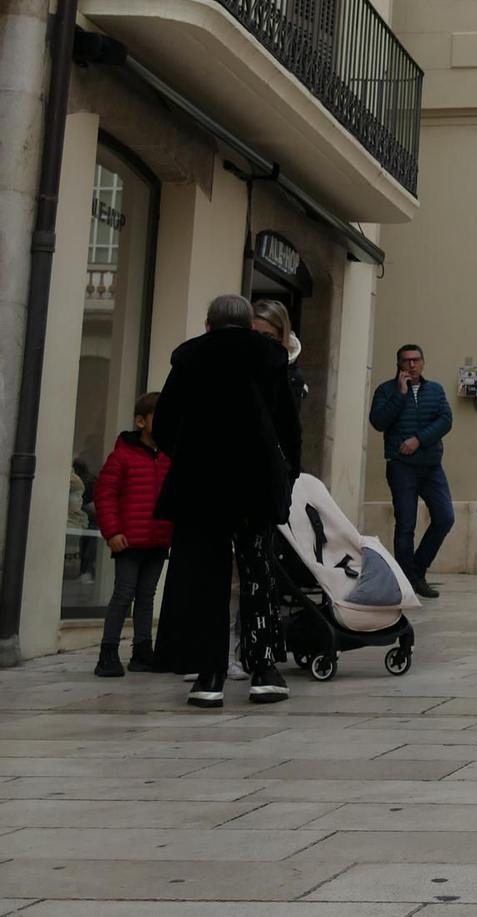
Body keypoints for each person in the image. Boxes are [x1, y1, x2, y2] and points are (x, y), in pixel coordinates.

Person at [152, 294, 301, 708]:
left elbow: (163, 424)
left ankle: (209, 675)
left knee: (206, 577)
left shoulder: (189, 358)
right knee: (258, 572)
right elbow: (289, 425)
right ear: (246, 323)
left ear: (207, 323)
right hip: (254, 484)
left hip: (201, 486)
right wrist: (287, 470)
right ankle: (264, 670)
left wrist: (187, 453)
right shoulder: (271, 357)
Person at [92, 391, 171, 677]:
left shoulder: (167, 457)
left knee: (147, 596)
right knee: (123, 594)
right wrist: (112, 532)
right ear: (140, 421)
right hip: (128, 539)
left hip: (158, 539)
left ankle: (142, 651)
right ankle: (108, 652)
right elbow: (105, 495)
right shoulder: (121, 456)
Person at [369, 343, 454, 599]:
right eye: (406, 361)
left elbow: (445, 420)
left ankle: (417, 570)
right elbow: (378, 422)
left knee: (445, 517)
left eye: (416, 360)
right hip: (401, 467)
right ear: (399, 364)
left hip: (431, 466)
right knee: (406, 525)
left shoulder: (435, 390)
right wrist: (401, 394)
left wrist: (418, 439)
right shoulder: (386, 390)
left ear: (423, 362)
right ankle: (407, 580)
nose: (412, 365)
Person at [252, 300, 307, 417]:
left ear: (281, 337)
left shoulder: (291, 377)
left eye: (268, 336)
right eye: (254, 335)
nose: (260, 342)